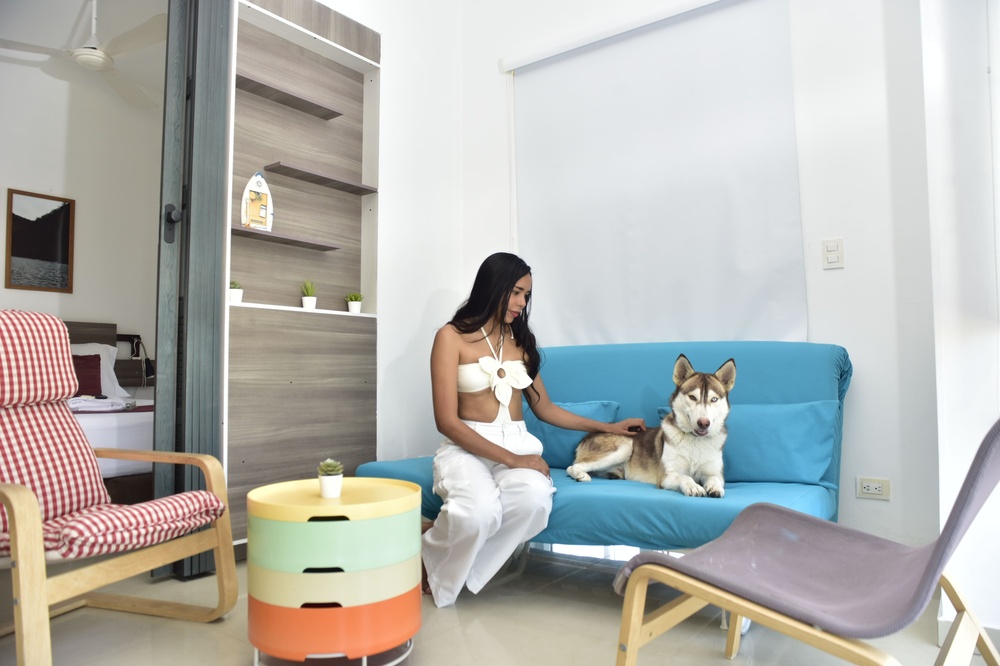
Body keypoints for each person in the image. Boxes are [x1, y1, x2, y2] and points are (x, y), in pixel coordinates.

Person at [422, 252, 646, 607]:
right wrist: (513, 460)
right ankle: (436, 561)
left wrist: (610, 427)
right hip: (466, 446)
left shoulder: (521, 344)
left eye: (526, 295)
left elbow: (545, 408)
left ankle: (453, 568)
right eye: (516, 292)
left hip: (514, 443)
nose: (522, 303)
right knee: (478, 510)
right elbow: (446, 421)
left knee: (534, 501)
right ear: (492, 287)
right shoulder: (450, 337)